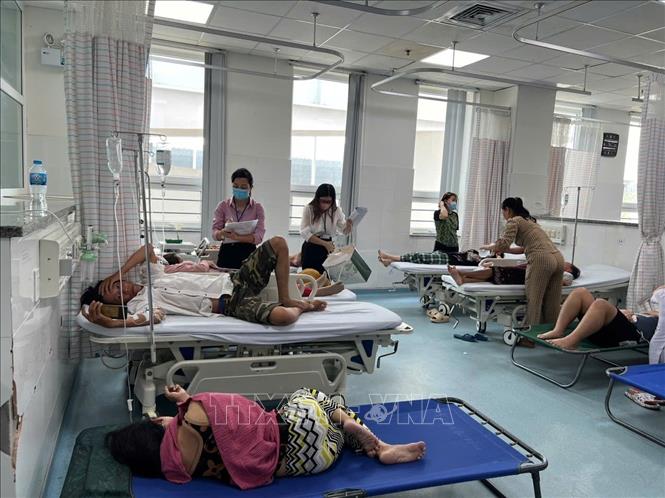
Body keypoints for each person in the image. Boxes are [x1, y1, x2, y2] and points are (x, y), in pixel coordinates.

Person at [105, 385, 427, 489]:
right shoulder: (195, 412)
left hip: (313, 462)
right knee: (311, 395)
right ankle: (375, 443)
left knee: (334, 431)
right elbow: (241, 410)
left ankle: (350, 432)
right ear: (155, 424)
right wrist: (187, 401)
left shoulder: (176, 471)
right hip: (299, 426)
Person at [81, 237, 326, 328]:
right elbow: (149, 318)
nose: (121, 290)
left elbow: (147, 249)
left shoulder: (152, 276)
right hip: (231, 304)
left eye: (117, 285)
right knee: (284, 318)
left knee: (279, 244)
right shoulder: (140, 304)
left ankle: (286, 298)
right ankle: (302, 307)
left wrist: (116, 273)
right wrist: (112, 323)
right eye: (116, 295)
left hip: (234, 280)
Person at [480, 197, 564, 326]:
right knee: (552, 301)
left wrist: (488, 247)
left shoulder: (513, 221)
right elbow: (524, 248)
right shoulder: (529, 221)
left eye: (503, 212)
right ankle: (552, 331)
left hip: (542, 260)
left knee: (534, 300)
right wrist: (505, 249)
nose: (504, 216)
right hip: (558, 258)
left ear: (507, 210)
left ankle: (531, 332)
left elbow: (503, 244)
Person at [536, 287, 660, 351]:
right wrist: (629, 313)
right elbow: (658, 291)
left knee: (601, 304)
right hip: (627, 322)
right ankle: (558, 330)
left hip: (634, 333)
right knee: (580, 292)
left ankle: (571, 341)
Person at [212, 168, 266, 269]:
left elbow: (259, 237)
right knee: (225, 279)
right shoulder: (223, 206)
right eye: (235, 186)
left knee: (248, 278)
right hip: (227, 253)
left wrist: (237, 237)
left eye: (243, 187)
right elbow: (214, 233)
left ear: (250, 187)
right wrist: (222, 233)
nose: (239, 189)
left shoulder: (257, 208)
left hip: (248, 253)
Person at [299, 184, 352, 273]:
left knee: (326, 276)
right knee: (310, 275)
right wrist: (325, 244)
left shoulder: (336, 211)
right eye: (322, 201)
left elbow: (344, 231)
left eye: (329, 202)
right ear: (317, 198)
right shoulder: (309, 209)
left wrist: (349, 225)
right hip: (312, 246)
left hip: (328, 247)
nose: (325, 204)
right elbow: (305, 233)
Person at [448, 261, 580, 286]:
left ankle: (460, 272)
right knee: (490, 277)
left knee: (494, 272)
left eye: (566, 263)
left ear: (569, 269)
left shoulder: (567, 275)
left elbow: (565, 281)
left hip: (525, 276)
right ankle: (463, 279)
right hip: (523, 272)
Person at [377, 248, 481, 267]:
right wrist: (473, 253)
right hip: (444, 254)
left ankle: (388, 257)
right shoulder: (473, 253)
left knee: (417, 256)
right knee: (417, 255)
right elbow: (470, 251)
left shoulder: (477, 262)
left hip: (447, 260)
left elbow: (474, 263)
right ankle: (389, 261)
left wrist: (479, 260)